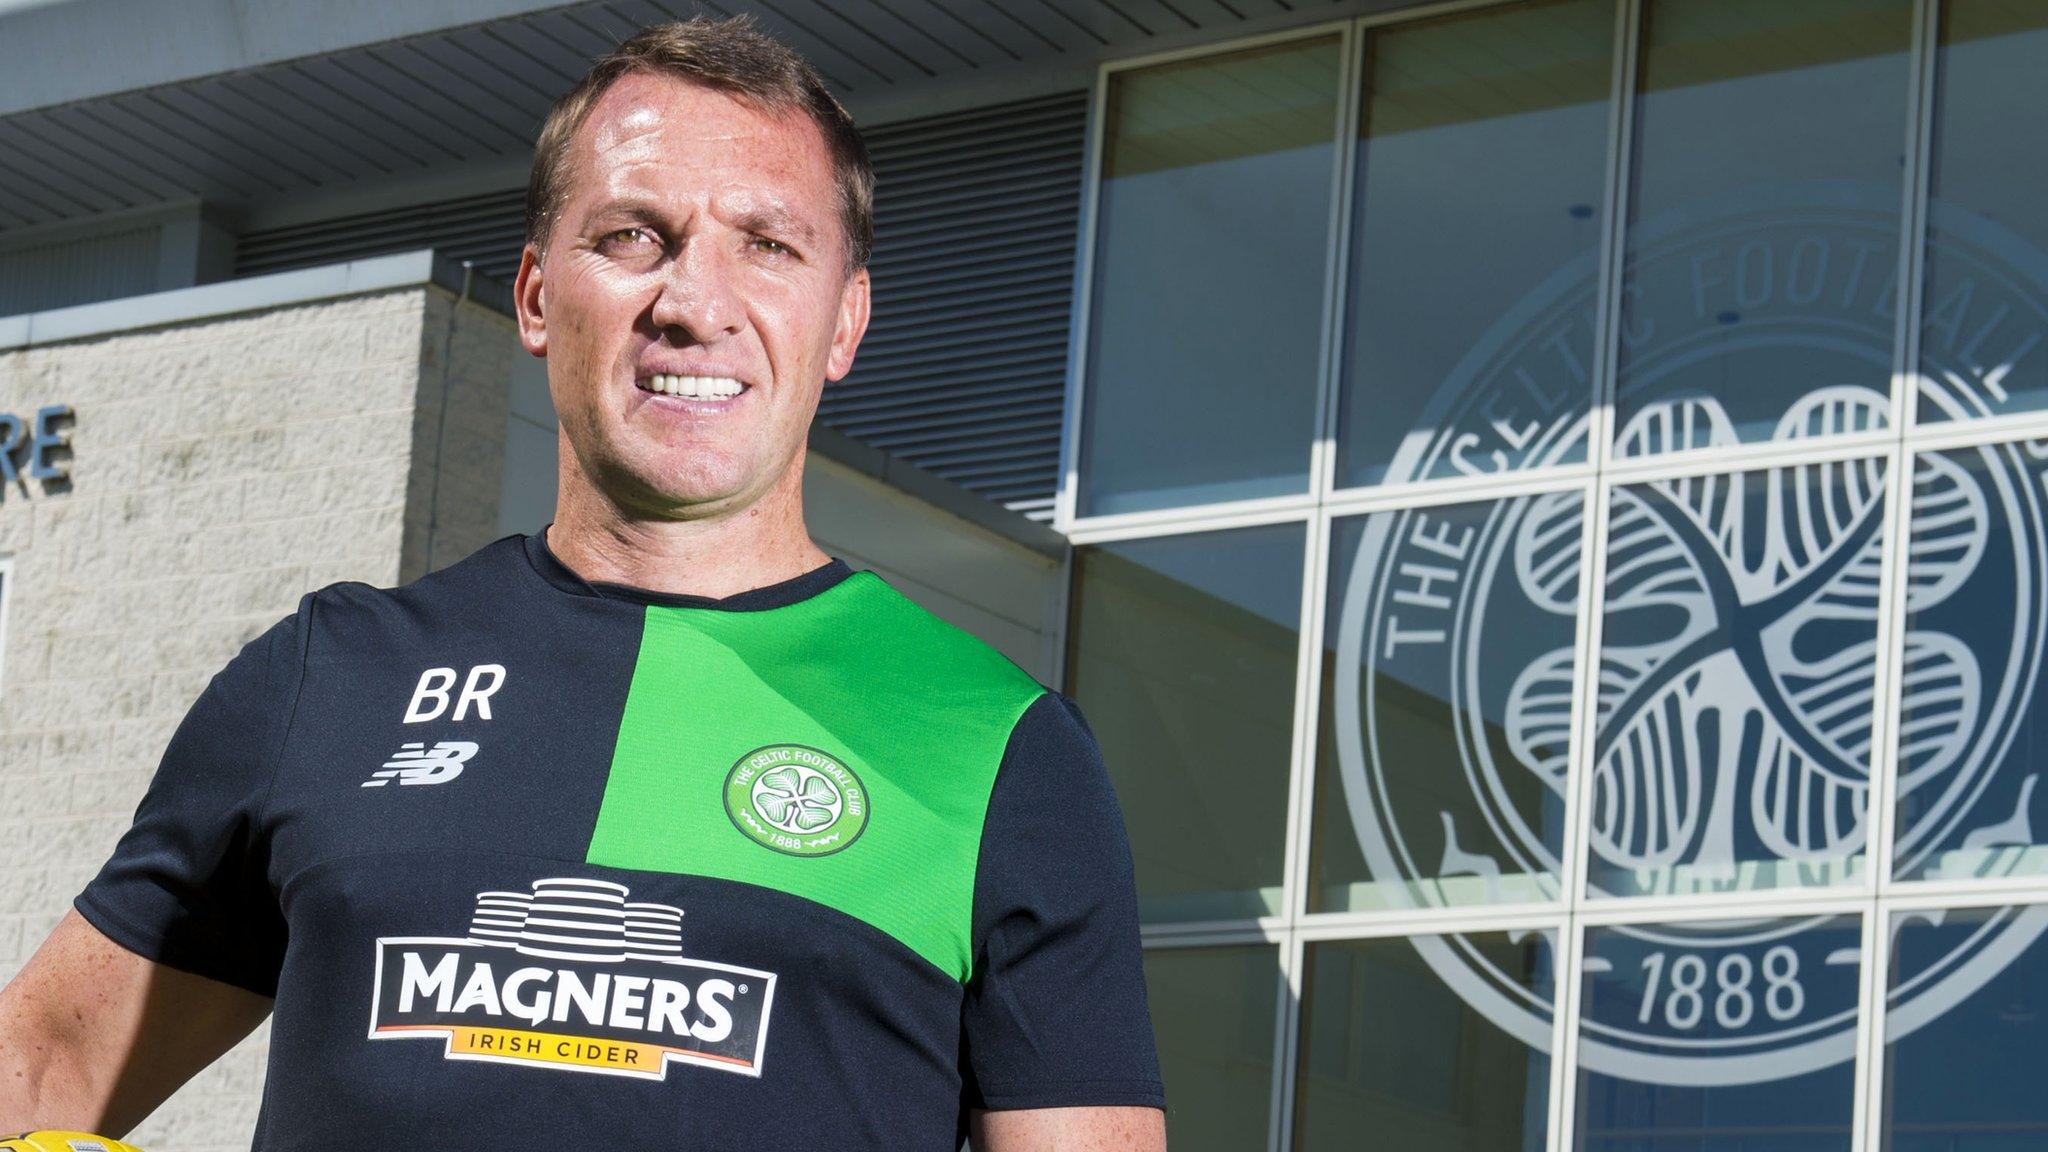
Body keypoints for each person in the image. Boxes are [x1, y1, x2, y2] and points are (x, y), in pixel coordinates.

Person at [0, 16, 1165, 1150]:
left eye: (766, 244)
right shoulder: (329, 677)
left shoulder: (998, 748)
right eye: (632, 236)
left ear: (844, 319)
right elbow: (43, 1065)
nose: (694, 304)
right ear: (535, 296)